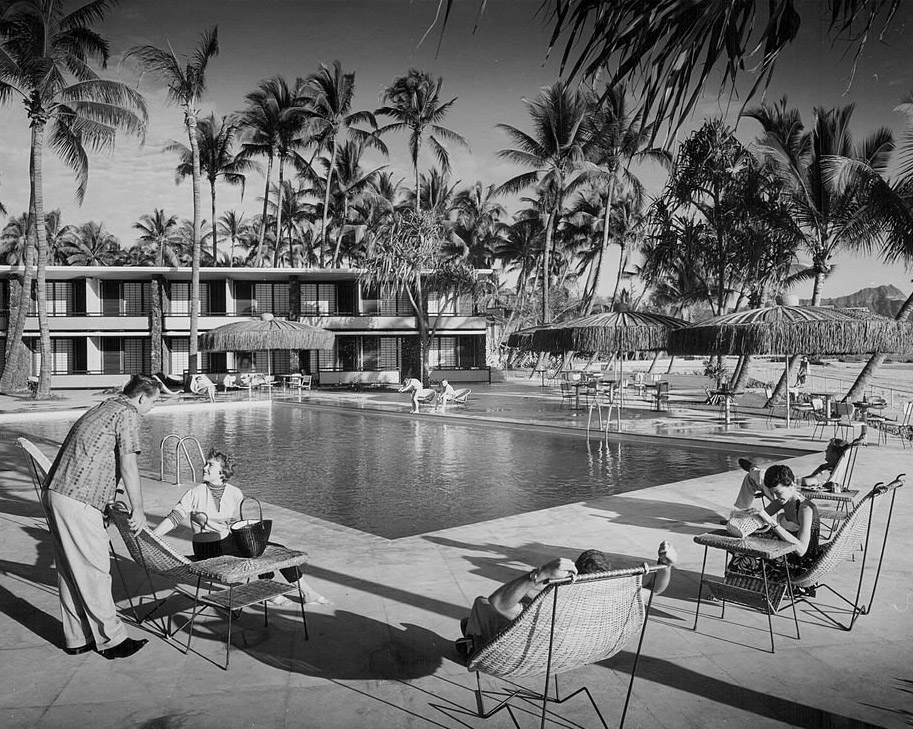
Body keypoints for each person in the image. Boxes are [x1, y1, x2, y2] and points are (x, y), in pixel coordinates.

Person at [41, 373, 162, 659]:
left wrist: (106, 501)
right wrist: (139, 509)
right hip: (76, 498)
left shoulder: (104, 407)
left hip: (56, 492)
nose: (152, 409)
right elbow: (128, 463)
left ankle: (77, 638)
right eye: (154, 402)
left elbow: (97, 457)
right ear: (142, 397)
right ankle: (113, 641)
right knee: (95, 571)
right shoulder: (128, 413)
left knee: (71, 571)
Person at [152, 449, 330, 606]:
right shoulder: (195, 493)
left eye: (210, 465)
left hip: (227, 543)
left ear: (222, 472)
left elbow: (234, 525)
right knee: (264, 552)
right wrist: (151, 536)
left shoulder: (235, 493)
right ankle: (292, 592)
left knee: (271, 550)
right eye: (206, 464)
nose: (204, 467)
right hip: (207, 548)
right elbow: (174, 518)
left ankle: (285, 591)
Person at [456, 541, 677, 660]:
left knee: (482, 604)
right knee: (482, 613)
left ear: (576, 577)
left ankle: (472, 642)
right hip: (585, 649)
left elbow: (499, 603)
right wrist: (665, 565)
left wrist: (539, 574)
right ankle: (472, 630)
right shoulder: (617, 602)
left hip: (537, 654)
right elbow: (655, 589)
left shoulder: (552, 606)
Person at [730, 465, 821, 587]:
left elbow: (801, 550)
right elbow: (761, 517)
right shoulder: (784, 500)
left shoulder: (805, 509)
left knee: (746, 557)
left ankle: (736, 588)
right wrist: (743, 516)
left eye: (778, 493)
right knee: (741, 547)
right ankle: (733, 587)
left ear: (792, 485)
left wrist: (772, 523)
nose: (776, 497)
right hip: (783, 551)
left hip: (798, 565)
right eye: (773, 493)